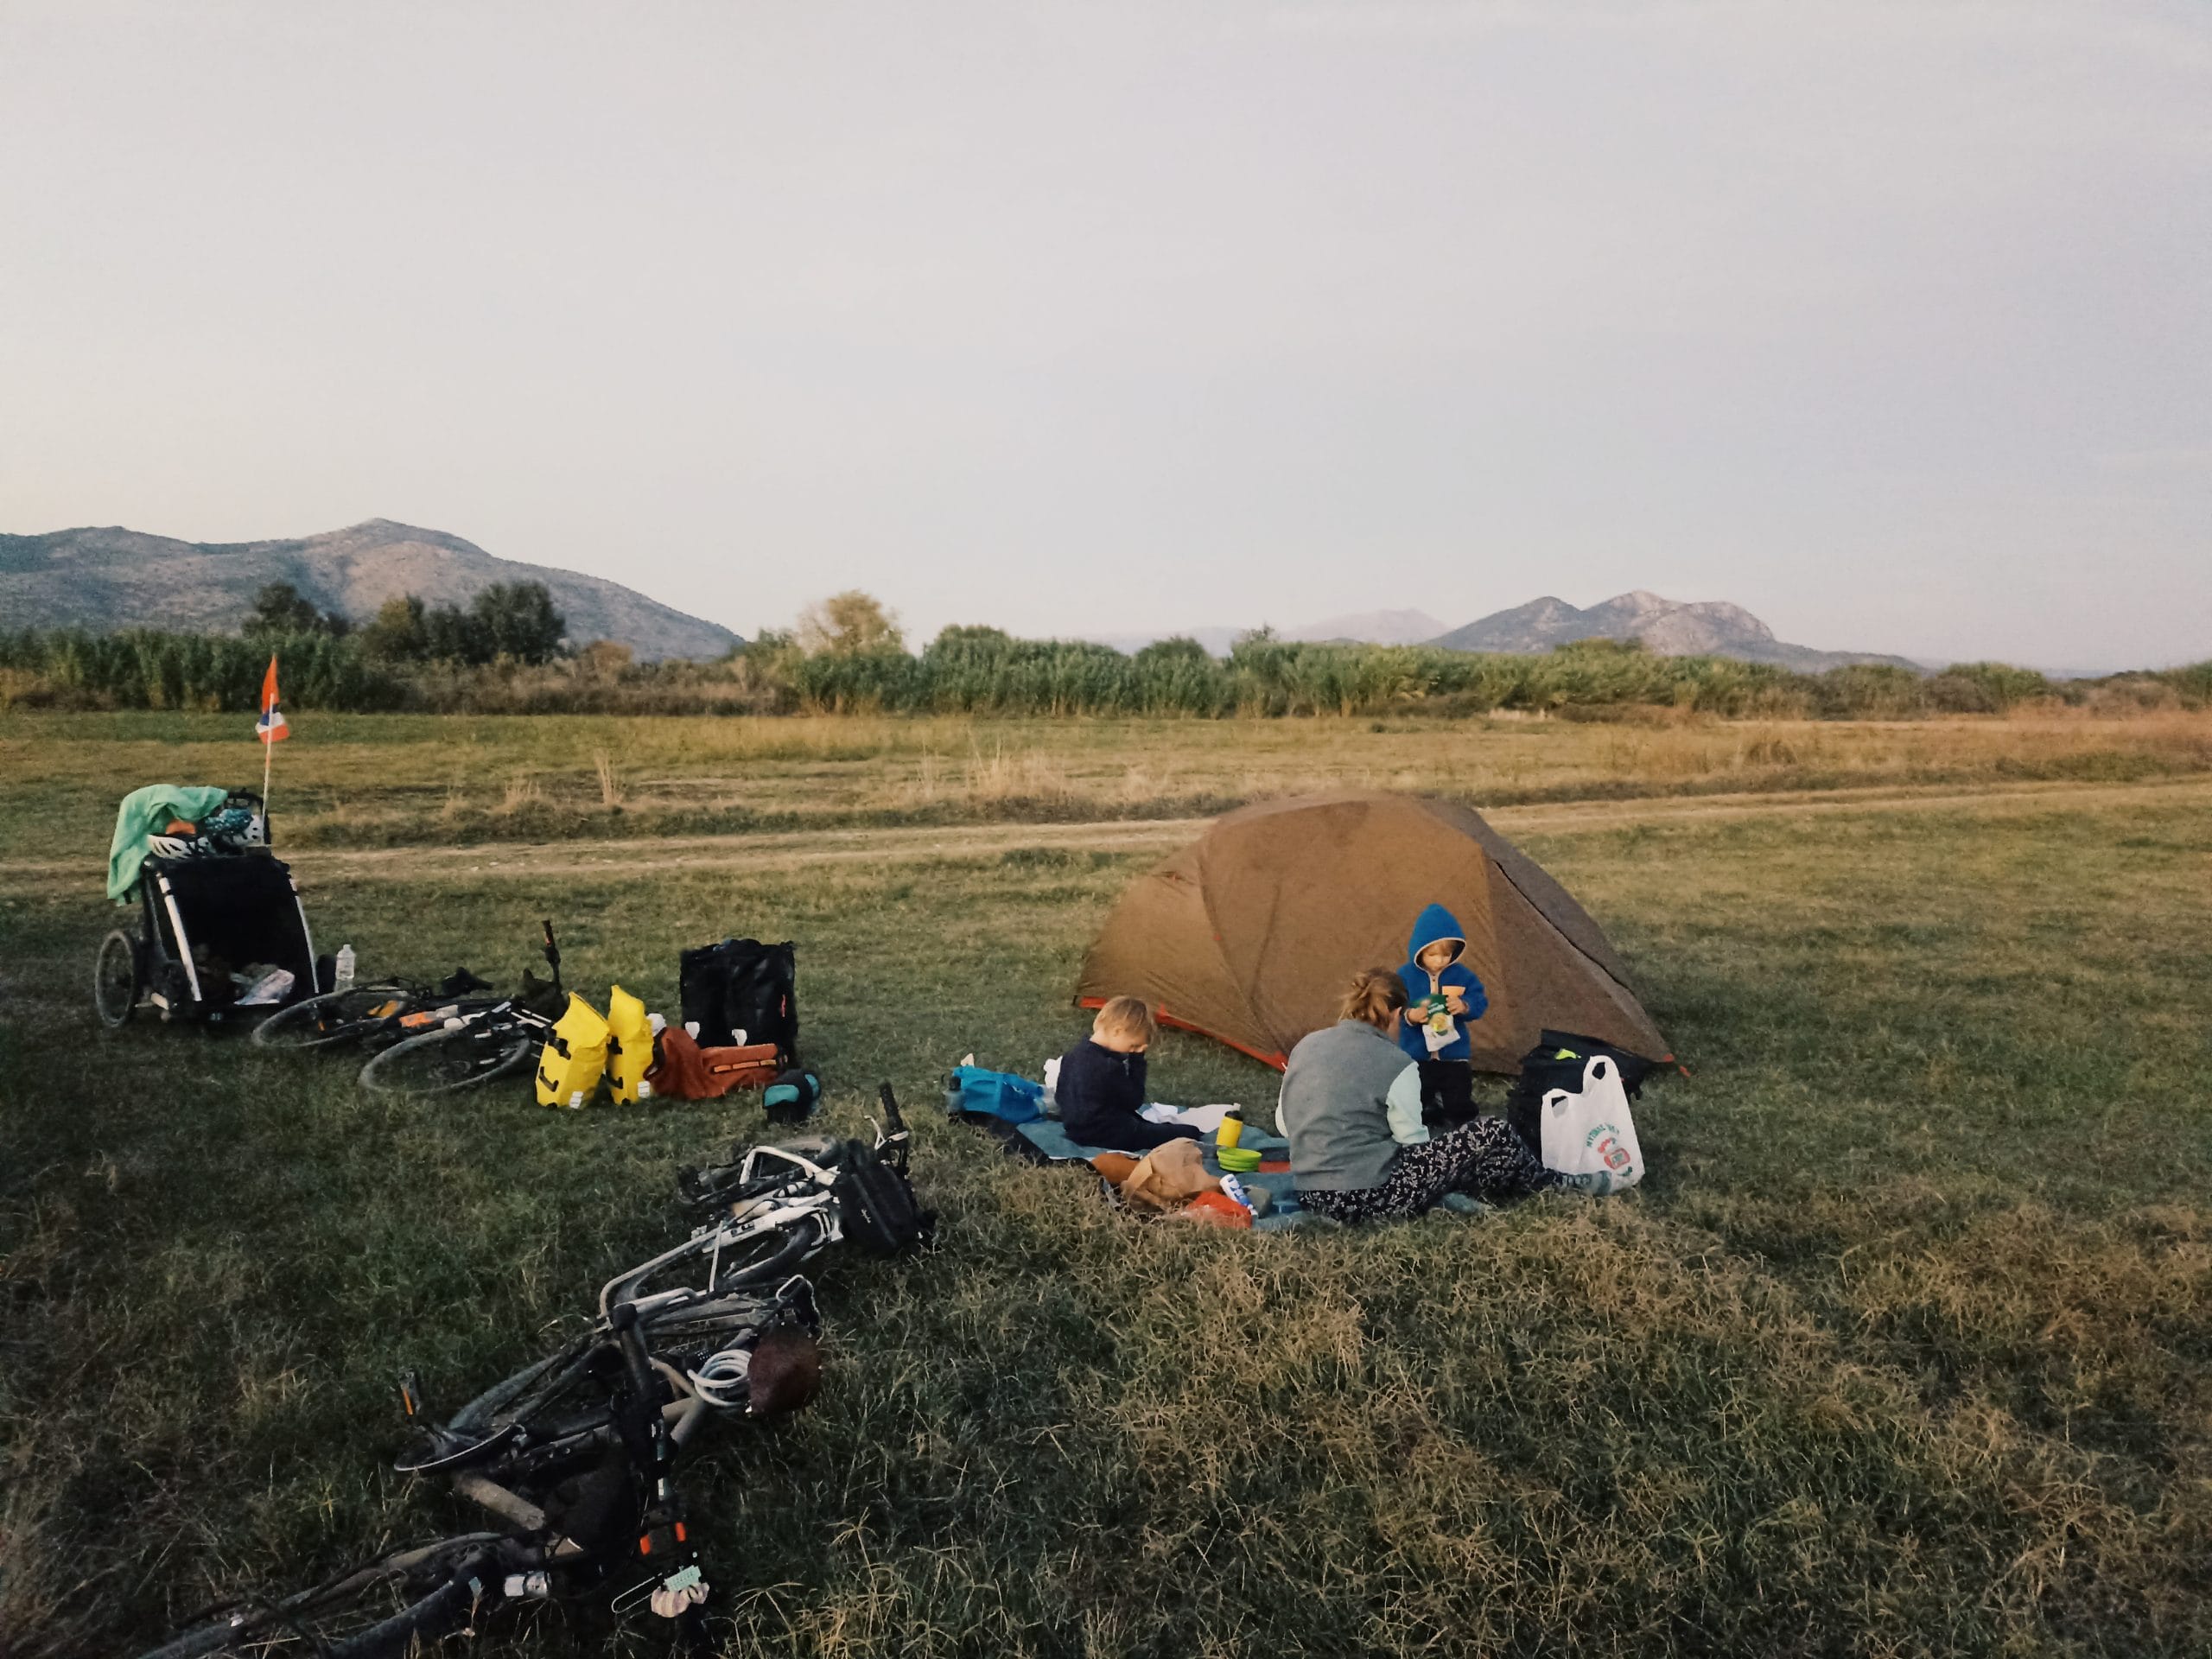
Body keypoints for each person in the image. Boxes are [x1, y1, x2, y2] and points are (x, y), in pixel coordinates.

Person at [1280, 968, 1561, 1224]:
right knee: (1492, 1133)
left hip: (1310, 1195)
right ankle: (1556, 1184)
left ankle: (1496, 1182)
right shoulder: (1395, 1061)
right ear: (1396, 1014)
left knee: (1468, 1160)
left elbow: (1284, 1124)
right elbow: (1412, 1141)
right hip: (1367, 1197)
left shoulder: (1306, 1046)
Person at [1056, 996, 1200, 1152]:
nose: (1133, 1051)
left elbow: (1060, 1096)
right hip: (1110, 1134)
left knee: (1150, 1126)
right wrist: (1137, 1059)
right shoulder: (1109, 1066)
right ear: (1118, 1031)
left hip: (1074, 1129)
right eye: (1134, 1045)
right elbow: (1134, 1101)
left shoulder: (1070, 1056)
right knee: (1189, 1132)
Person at [1395, 903, 1487, 1130]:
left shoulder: (1462, 975)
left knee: (1458, 1094)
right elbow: (1394, 1007)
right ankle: (1425, 1116)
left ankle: (1461, 1124)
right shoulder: (1405, 976)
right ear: (1419, 951)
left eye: (1446, 955)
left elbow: (1480, 1000)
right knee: (1417, 1093)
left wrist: (1465, 1006)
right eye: (1432, 955)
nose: (1439, 961)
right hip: (1418, 1053)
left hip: (1452, 1053)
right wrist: (1410, 1016)